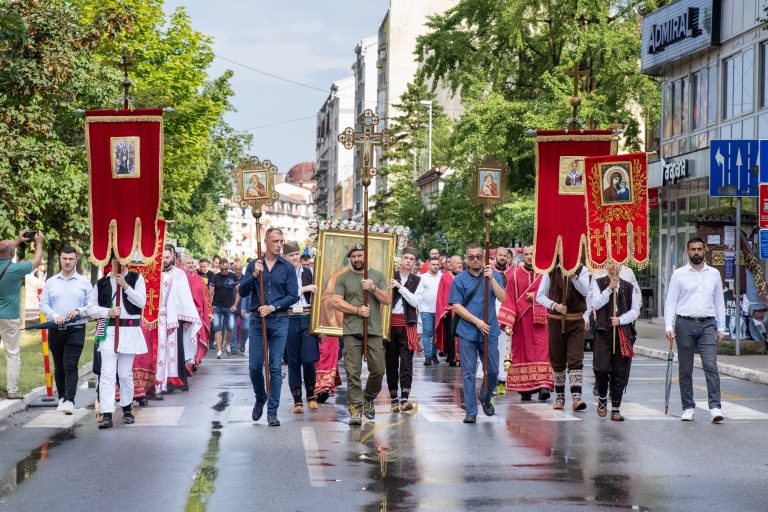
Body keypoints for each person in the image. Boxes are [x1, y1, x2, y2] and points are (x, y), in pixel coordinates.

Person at [240, 228, 298, 427]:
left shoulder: (287, 267)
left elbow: (293, 295)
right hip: (257, 321)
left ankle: (272, 411)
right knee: (255, 366)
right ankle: (260, 397)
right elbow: (242, 290)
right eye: (275, 241)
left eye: (281, 241)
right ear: (265, 242)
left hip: (279, 319)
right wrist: (254, 275)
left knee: (274, 367)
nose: (279, 244)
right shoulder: (254, 265)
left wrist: (273, 306)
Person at [664, 237, 726, 423]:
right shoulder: (679, 274)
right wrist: (668, 325)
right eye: (693, 249)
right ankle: (688, 407)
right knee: (685, 369)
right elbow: (671, 302)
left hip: (708, 324)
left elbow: (718, 302)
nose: (696, 252)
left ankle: (715, 407)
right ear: (687, 252)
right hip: (684, 324)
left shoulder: (714, 273)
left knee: (710, 366)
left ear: (704, 250)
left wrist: (721, 327)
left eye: (699, 249)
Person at [331, 243, 391, 426]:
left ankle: (368, 398)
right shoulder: (343, 278)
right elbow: (336, 302)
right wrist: (357, 310)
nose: (357, 259)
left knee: (379, 369)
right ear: (350, 258)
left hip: (373, 330)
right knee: (352, 372)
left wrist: (372, 288)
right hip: (352, 330)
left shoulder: (377, 276)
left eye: (360, 255)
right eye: (354, 256)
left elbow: (388, 300)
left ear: (366, 256)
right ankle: (356, 407)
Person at [88, 255, 147, 428]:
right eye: (114, 260)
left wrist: (126, 287)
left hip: (129, 331)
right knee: (107, 373)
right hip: (109, 330)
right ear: (110, 262)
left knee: (124, 374)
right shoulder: (101, 283)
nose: (118, 264)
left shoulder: (136, 278)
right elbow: (92, 308)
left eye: (121, 259)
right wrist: (108, 312)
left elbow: (142, 301)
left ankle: (127, 407)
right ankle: (106, 412)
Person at [449, 244, 506, 423]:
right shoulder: (460, 279)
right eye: (471, 257)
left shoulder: (493, 275)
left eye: (479, 256)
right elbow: (456, 306)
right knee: (468, 372)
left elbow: (503, 298)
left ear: (484, 258)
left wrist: (492, 279)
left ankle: (485, 396)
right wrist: (476, 321)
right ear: (467, 259)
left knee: (493, 371)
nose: (475, 260)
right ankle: (471, 411)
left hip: (490, 331)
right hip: (468, 331)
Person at [39, 246, 91, 413]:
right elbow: (43, 304)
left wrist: (79, 311)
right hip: (56, 328)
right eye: (64, 258)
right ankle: (62, 397)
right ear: (60, 259)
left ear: (76, 260)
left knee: (70, 364)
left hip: (76, 329)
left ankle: (69, 400)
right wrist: (54, 315)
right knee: (59, 366)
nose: (67, 262)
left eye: (71, 259)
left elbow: (92, 305)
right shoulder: (51, 282)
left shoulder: (84, 283)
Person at [498, 243, 553, 401]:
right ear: (523, 255)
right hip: (521, 322)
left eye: (532, 253)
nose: (530, 256)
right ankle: (525, 388)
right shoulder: (515, 275)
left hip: (542, 321)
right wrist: (507, 321)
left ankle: (543, 386)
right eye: (527, 254)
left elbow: (552, 294)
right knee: (523, 353)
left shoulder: (546, 274)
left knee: (543, 352)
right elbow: (509, 298)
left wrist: (535, 297)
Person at [536, 260, 590, 412]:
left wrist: (573, 276)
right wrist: (555, 306)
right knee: (557, 358)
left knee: (575, 358)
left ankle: (576, 397)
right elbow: (540, 296)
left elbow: (586, 291)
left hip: (576, 320)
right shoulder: (551, 270)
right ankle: (560, 397)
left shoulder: (582, 270)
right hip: (556, 321)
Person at [590, 260, 640, 421]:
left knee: (620, 370)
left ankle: (616, 408)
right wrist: (609, 289)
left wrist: (621, 320)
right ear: (605, 265)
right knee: (602, 368)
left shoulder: (628, 286)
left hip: (622, 332)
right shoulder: (599, 282)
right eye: (610, 262)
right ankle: (603, 397)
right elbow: (595, 304)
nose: (613, 266)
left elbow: (635, 309)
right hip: (604, 331)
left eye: (616, 263)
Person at [0, 231, 44, 399]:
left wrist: (17, 241)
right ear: (12, 253)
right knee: (12, 354)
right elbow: (37, 261)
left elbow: (5, 252)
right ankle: (12, 391)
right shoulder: (15, 269)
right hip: (9, 318)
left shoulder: (9, 263)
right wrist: (39, 242)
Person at [156, 245, 201, 395]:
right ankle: (157, 381)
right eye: (162, 257)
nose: (164, 261)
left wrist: (187, 319)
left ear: (174, 257)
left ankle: (173, 382)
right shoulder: (154, 274)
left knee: (175, 352)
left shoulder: (179, 274)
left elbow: (185, 298)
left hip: (176, 319)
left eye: (167, 257)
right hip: (157, 319)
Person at [283, 241, 320, 413]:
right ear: (285, 257)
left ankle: (311, 395)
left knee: (308, 359)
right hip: (289, 317)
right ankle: (297, 399)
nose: (295, 257)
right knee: (293, 361)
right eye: (291, 255)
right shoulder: (282, 273)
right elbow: (284, 296)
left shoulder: (310, 272)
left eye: (297, 254)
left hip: (307, 317)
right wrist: (304, 288)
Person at [386, 247, 423, 413]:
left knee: (407, 362)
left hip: (408, 324)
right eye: (405, 258)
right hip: (389, 324)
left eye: (411, 259)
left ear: (415, 263)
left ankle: (405, 397)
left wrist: (400, 286)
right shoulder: (389, 275)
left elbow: (415, 302)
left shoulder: (418, 280)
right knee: (390, 361)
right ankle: (393, 398)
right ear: (400, 259)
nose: (408, 261)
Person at [182, 256, 211, 368]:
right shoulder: (180, 277)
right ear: (183, 264)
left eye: (193, 264)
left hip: (198, 314)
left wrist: (209, 312)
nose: (191, 265)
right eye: (188, 263)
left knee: (196, 339)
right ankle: (185, 364)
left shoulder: (199, 279)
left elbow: (205, 297)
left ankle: (193, 362)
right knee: (186, 341)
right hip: (184, 315)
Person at [435, 255, 463, 366]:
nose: (460, 265)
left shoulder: (465, 276)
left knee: (462, 335)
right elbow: (440, 294)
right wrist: (442, 309)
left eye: (461, 263)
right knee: (451, 336)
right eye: (457, 263)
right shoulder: (445, 277)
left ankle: (462, 359)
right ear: (450, 266)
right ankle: (452, 358)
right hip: (449, 311)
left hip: (463, 310)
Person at [208, 258, 238, 358]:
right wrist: (210, 308)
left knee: (231, 327)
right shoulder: (215, 277)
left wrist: (235, 304)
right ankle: (220, 350)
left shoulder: (233, 276)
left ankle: (227, 344)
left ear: (228, 267)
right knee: (217, 327)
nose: (224, 271)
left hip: (229, 306)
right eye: (222, 269)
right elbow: (210, 293)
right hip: (217, 306)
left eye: (226, 269)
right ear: (219, 267)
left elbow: (239, 291)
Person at [492, 246, 511, 394]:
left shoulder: (513, 273)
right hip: (492, 316)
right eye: (500, 255)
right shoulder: (489, 272)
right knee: (492, 350)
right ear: (496, 256)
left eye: (505, 255)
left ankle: (502, 382)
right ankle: (491, 381)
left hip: (508, 317)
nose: (502, 257)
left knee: (506, 351)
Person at [419, 257, 442, 366]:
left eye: (437, 264)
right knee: (427, 332)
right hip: (426, 310)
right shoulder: (422, 278)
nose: (435, 266)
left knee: (437, 334)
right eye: (433, 264)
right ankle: (427, 356)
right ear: (429, 265)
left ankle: (434, 354)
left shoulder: (442, 277)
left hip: (439, 310)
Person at [231, 261, 248, 354]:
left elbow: (248, 294)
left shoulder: (246, 279)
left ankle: (242, 344)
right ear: (233, 269)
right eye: (236, 269)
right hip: (231, 306)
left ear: (242, 269)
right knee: (232, 327)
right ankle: (233, 347)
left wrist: (244, 307)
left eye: (239, 269)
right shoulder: (229, 278)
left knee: (246, 328)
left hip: (245, 307)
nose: (238, 271)